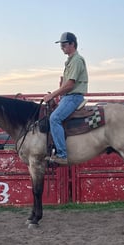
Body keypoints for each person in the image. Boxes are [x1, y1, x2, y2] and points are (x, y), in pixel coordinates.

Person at [43, 32, 88, 165]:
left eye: (64, 45)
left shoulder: (76, 60)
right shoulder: (70, 61)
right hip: (68, 97)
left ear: (72, 44)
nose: (61, 47)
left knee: (55, 118)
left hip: (73, 97)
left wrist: (52, 95)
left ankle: (62, 155)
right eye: (61, 45)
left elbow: (69, 85)